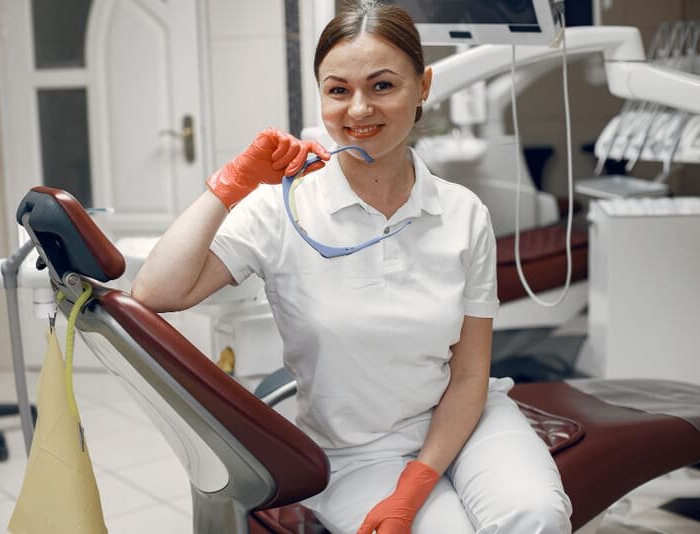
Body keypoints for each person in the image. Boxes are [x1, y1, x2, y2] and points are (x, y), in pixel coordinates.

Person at [132, 1, 571, 532]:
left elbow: (471, 373)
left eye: (382, 86)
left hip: (469, 423)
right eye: (338, 90)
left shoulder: (462, 213)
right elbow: (156, 292)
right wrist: (231, 185)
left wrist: (417, 481)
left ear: (423, 86)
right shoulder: (282, 208)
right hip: (355, 452)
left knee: (535, 514)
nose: (359, 109)